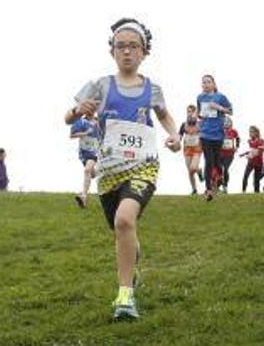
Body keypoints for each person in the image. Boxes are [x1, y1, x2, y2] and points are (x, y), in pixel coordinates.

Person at [67, 18, 181, 320]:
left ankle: (125, 297)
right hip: (109, 172)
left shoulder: (152, 89)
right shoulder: (100, 85)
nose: (127, 52)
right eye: (121, 46)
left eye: (134, 46)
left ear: (144, 52)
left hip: (143, 167)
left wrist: (174, 135)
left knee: (124, 220)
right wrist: (80, 110)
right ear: (112, 51)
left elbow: (166, 116)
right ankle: (133, 262)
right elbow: (68, 117)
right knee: (121, 230)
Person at [196, 75, 233, 199]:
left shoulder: (221, 97)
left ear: (213, 84)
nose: (206, 84)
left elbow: (231, 111)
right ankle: (208, 189)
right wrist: (198, 118)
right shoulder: (200, 97)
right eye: (204, 82)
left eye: (208, 82)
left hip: (218, 134)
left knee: (217, 162)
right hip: (205, 133)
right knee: (208, 161)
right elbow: (200, 113)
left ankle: (220, 179)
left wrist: (219, 108)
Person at [70, 116, 100, 208]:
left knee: (87, 170)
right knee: (92, 174)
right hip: (84, 152)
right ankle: (101, 172)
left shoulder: (99, 120)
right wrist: (85, 133)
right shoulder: (81, 121)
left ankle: (83, 196)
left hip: (95, 150)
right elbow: (72, 135)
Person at [180, 105, 203, 194]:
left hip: (197, 148)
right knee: (190, 171)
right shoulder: (183, 124)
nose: (189, 113)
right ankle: (194, 190)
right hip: (187, 149)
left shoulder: (200, 124)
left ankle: (199, 170)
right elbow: (180, 136)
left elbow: (206, 121)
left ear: (195, 113)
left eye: (191, 111)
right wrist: (175, 142)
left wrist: (198, 116)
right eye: (188, 111)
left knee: (193, 167)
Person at [241, 125, 264, 194]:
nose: (250, 133)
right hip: (251, 162)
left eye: (252, 132)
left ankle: (256, 192)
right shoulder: (249, 141)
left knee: (256, 179)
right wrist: (244, 154)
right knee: (246, 176)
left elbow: (260, 151)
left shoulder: (261, 140)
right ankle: (243, 191)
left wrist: (252, 154)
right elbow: (251, 150)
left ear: (256, 132)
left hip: (258, 162)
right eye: (250, 132)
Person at [219, 115, 240, 192]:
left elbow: (237, 138)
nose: (226, 124)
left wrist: (237, 146)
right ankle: (219, 184)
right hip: (220, 153)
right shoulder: (219, 130)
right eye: (224, 122)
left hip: (229, 154)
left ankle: (225, 186)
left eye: (228, 122)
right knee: (219, 169)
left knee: (225, 168)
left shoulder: (234, 131)